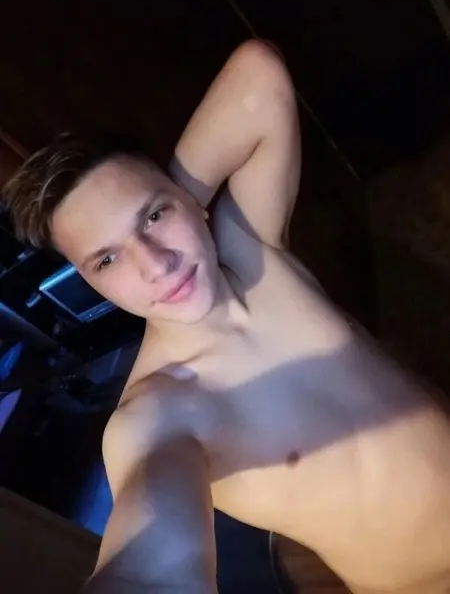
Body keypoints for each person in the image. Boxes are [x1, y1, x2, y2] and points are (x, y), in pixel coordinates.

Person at [4, 40, 450, 594]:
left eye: (154, 216)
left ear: (190, 200)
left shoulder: (252, 248)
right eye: (108, 259)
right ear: (93, 283)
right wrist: (167, 205)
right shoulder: (160, 410)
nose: (157, 264)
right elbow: (151, 570)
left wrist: (179, 201)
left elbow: (259, 76)